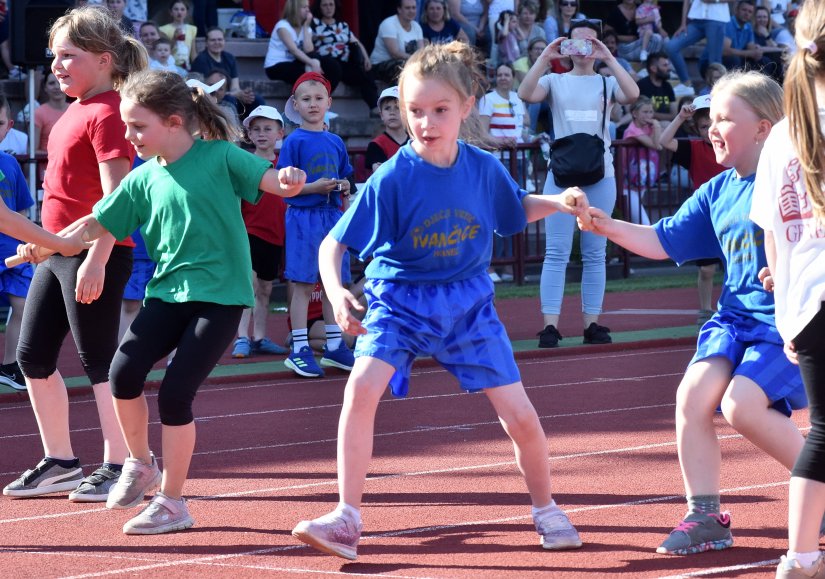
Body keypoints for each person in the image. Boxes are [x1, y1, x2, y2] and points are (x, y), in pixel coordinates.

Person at [291, 40, 590, 562]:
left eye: (439, 110)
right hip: (399, 300)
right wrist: (337, 292)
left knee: (518, 413)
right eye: (415, 112)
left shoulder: (481, 167)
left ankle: (546, 508)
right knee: (360, 390)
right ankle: (346, 517)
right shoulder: (392, 176)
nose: (426, 122)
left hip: (468, 302)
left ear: (467, 106)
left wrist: (560, 203)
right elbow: (332, 243)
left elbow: (514, 208)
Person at [24, 69, 305, 535]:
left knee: (176, 395)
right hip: (167, 295)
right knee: (122, 372)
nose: (128, 135)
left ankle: (173, 502)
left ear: (174, 122)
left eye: (137, 126)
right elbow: (94, 225)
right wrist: (46, 243)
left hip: (218, 300)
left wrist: (290, 178)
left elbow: (275, 182)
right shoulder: (141, 179)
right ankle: (139, 463)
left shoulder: (221, 157)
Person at [581, 70, 810, 557]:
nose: (711, 126)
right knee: (692, 397)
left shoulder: (804, 180)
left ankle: (819, 483)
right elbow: (659, 240)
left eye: (725, 118)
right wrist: (605, 225)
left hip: (784, 324)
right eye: (710, 117)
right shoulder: (718, 190)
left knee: (740, 405)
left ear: (765, 128)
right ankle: (706, 515)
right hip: (734, 321)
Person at [1, 5, 147, 503]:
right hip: (60, 253)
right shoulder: (74, 110)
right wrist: (45, 242)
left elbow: (117, 199)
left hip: (97, 254)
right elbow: (64, 196)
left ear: (105, 60)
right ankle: (60, 460)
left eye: (69, 55)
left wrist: (98, 257)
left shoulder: (108, 112)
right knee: (32, 356)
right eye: (53, 56)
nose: (57, 65)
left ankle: (119, 461)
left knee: (98, 361)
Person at [750, 2, 825, 576]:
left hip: (803, 300)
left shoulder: (781, 135)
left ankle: (800, 555)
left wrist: (784, 315)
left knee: (821, 429)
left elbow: (772, 232)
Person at [518, 18, 639, 348]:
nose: (584, 48)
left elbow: (633, 93)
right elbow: (526, 93)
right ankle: (550, 326)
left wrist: (610, 59)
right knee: (555, 252)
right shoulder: (554, 81)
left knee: (595, 252)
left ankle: (592, 324)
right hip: (561, 175)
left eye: (591, 42)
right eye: (577, 42)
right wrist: (545, 56)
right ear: (567, 47)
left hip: (601, 174)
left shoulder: (606, 82)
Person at [278, 72, 355, 379]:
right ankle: (299, 349)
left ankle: (335, 346)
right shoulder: (294, 140)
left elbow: (346, 175)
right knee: (303, 284)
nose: (313, 105)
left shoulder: (336, 141)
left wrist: (345, 186)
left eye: (318, 99)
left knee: (333, 283)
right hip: (303, 219)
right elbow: (284, 185)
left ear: (329, 103)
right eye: (306, 100)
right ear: (295, 105)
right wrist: (313, 188)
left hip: (332, 218)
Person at [659, 94, 726, 326]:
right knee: (707, 269)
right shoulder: (694, 148)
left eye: (713, 124)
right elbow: (664, 140)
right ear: (696, 130)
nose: (709, 130)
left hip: (735, 212)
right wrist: (680, 117)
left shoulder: (734, 143)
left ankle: (736, 310)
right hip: (706, 216)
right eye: (703, 127)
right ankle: (706, 312)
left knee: (737, 266)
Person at [232, 105, 289, 359]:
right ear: (249, 135)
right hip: (249, 232)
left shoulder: (286, 165)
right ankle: (242, 337)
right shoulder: (245, 163)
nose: (262, 134)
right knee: (249, 285)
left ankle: (260, 337)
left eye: (268, 129)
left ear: (280, 133)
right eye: (256, 129)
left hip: (275, 235)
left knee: (266, 288)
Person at [479, 62, 526, 281]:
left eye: (507, 74)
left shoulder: (517, 98)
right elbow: (482, 133)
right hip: (498, 160)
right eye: (500, 74)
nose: (504, 77)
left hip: (519, 160)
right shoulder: (488, 99)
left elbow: (524, 126)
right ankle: (493, 265)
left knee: (516, 210)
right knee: (495, 211)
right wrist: (501, 141)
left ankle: (509, 267)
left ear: (513, 77)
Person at [310, 0, 380, 117]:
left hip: (344, 62)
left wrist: (366, 58)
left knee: (364, 74)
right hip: (326, 62)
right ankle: (322, 105)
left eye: (331, 4)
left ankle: (374, 107)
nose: (328, 8)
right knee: (334, 67)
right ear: (320, 7)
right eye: (325, 5)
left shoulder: (343, 26)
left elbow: (356, 42)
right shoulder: (315, 24)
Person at [190, 27, 265, 121]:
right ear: (206, 43)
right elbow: (206, 91)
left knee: (256, 100)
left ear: (224, 41)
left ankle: (254, 131)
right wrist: (235, 94)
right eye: (213, 40)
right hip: (211, 99)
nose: (217, 42)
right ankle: (233, 132)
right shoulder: (201, 60)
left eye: (220, 39)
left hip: (230, 95)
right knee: (230, 100)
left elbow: (235, 87)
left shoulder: (229, 58)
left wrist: (242, 94)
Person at [265, 0, 341, 92]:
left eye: (308, 7)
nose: (308, 10)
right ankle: (308, 101)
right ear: (295, 9)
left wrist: (305, 27)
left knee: (332, 65)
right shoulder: (282, 26)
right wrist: (312, 63)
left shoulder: (306, 28)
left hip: (295, 62)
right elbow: (294, 50)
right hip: (276, 66)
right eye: (304, 7)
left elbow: (309, 50)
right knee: (307, 76)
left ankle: (324, 98)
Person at [665, 0, 733, 98]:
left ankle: (717, 93)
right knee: (671, 46)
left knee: (714, 61)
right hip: (696, 18)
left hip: (717, 18)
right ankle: (686, 84)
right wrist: (683, 23)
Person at [622, 96, 661, 225]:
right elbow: (655, 145)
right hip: (627, 185)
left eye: (651, 112)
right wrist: (656, 125)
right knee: (643, 223)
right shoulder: (632, 130)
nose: (649, 115)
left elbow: (659, 145)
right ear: (634, 113)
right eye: (645, 112)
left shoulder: (648, 128)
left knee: (635, 222)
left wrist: (654, 128)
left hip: (640, 183)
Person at [370, 0, 425, 84]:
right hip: (380, 65)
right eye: (407, 8)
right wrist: (416, 60)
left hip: (409, 61)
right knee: (405, 67)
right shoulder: (389, 24)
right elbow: (394, 53)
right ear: (399, 9)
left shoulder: (417, 26)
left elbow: (421, 51)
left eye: (414, 8)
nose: (411, 11)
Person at [365, 86, 409, 176]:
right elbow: (381, 174)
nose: (392, 112)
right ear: (381, 115)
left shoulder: (416, 143)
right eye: (387, 108)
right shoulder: (376, 145)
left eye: (397, 107)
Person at [33, 73, 70, 181]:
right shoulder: (39, 113)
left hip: (74, 168)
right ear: (45, 88)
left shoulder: (77, 108)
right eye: (51, 83)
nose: (56, 87)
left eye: (59, 82)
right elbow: (33, 150)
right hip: (48, 170)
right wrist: (59, 154)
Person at [637, 52, 678, 122]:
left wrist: (653, 114)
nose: (668, 68)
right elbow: (639, 111)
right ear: (653, 69)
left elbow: (673, 114)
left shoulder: (667, 86)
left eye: (668, 65)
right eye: (665, 65)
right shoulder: (642, 85)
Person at [159, 0, 197, 71]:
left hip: (186, 66)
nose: (179, 12)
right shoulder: (163, 29)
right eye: (176, 9)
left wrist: (196, 66)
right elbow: (163, 50)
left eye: (182, 9)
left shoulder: (192, 29)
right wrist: (174, 38)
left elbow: (193, 53)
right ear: (171, 12)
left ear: (187, 13)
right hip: (170, 67)